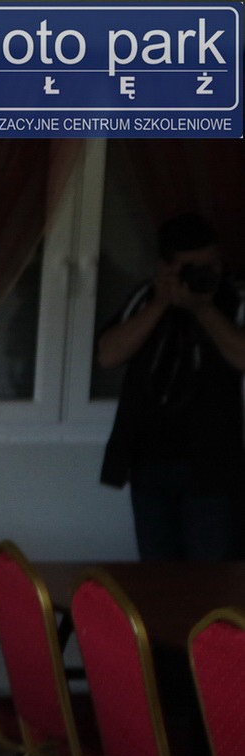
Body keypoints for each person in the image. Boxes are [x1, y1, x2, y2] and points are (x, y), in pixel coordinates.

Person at [97, 211, 245, 563]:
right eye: (193, 268)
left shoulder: (235, 297)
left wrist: (203, 310)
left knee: (210, 574)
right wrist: (162, 301)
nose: (208, 274)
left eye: (213, 264)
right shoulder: (148, 297)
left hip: (214, 463)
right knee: (158, 573)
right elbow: (108, 355)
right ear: (166, 267)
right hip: (150, 459)